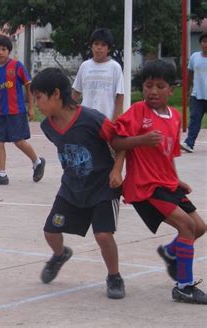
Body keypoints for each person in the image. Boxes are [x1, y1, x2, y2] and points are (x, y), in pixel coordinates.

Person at [111, 60, 207, 304]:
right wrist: (137, 145)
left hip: (166, 183)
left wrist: (177, 180)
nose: (153, 91)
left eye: (160, 86)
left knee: (200, 227)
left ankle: (170, 252)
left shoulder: (174, 117)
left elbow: (168, 156)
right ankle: (184, 287)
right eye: (148, 85)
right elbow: (117, 142)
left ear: (171, 90)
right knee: (186, 226)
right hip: (145, 185)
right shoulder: (136, 112)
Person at [31, 67, 125, 299]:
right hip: (72, 188)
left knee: (103, 235)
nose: (35, 104)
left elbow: (121, 142)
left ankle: (114, 276)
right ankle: (60, 254)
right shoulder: (47, 127)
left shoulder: (92, 119)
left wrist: (116, 169)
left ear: (55, 94)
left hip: (103, 187)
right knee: (50, 232)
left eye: (38, 98)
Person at [0, 35, 45, 185]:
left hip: (16, 111)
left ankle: (38, 162)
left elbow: (28, 85)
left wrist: (31, 107)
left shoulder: (17, 66)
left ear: (9, 50)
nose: (0, 52)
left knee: (19, 141)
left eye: (3, 49)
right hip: (0, 113)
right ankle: (1, 174)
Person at [72, 28, 124, 121]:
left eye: (103, 45)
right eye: (96, 44)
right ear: (91, 46)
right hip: (85, 119)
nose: (99, 47)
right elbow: (76, 92)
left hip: (106, 119)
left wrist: (115, 121)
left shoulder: (115, 67)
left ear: (109, 49)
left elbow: (119, 97)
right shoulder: (84, 66)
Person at [180, 31, 207, 153]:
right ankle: (189, 143)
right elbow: (189, 75)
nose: (206, 44)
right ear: (201, 43)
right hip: (197, 95)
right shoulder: (194, 57)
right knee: (194, 120)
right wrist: (186, 90)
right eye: (204, 41)